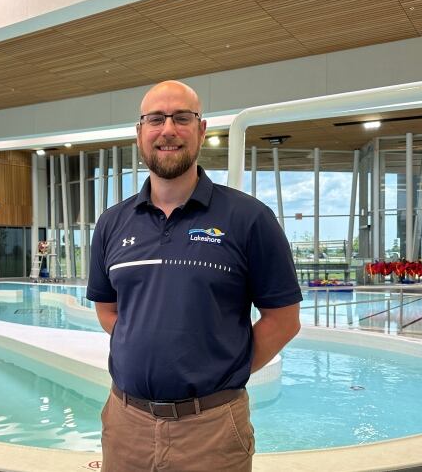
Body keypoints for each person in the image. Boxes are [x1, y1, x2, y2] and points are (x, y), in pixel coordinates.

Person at [86, 80, 302, 472]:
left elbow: (283, 320)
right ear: (140, 133)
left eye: (181, 118)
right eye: (155, 119)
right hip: (125, 424)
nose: (168, 129)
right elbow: (107, 310)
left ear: (201, 131)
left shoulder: (249, 218)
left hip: (213, 429)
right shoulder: (112, 223)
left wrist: (223, 368)